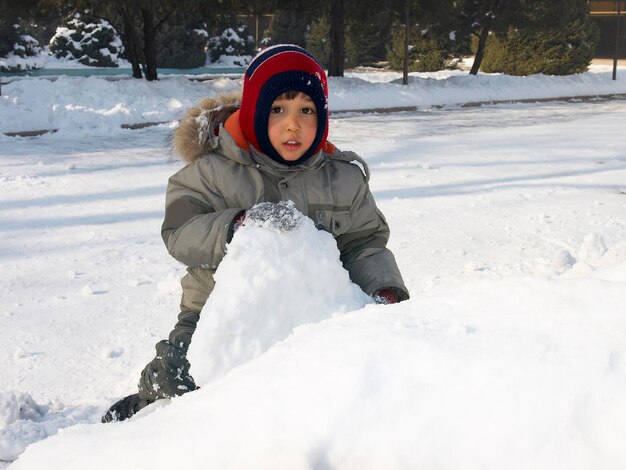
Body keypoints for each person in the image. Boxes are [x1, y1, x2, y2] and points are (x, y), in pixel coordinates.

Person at [102, 44, 409, 423]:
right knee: (181, 375)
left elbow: (364, 242)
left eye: (306, 111)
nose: (292, 124)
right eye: (278, 109)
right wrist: (235, 226)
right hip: (215, 309)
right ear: (255, 112)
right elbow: (179, 231)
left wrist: (384, 290)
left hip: (315, 309)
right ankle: (145, 404)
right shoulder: (212, 172)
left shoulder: (342, 178)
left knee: (333, 385)